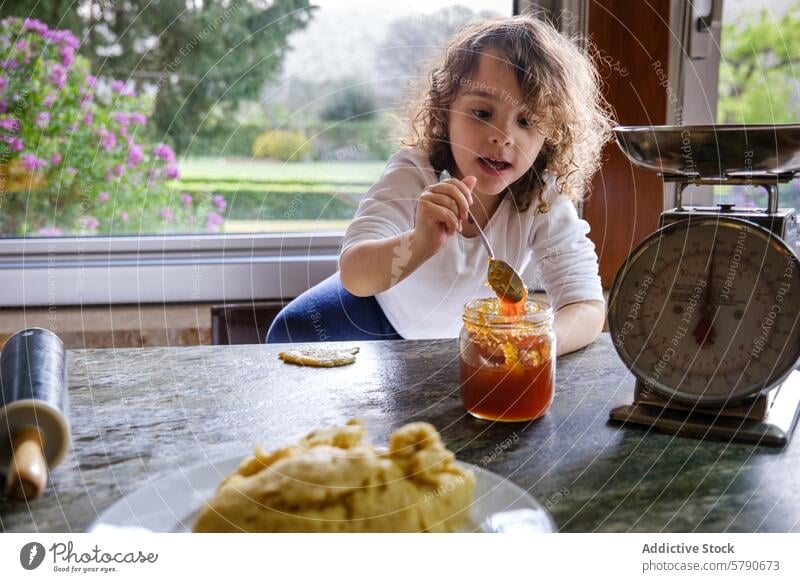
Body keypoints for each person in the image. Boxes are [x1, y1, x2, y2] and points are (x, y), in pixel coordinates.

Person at [267, 15, 612, 355]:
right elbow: (355, 275)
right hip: (379, 312)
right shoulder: (414, 172)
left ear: (550, 136)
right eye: (482, 113)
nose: (503, 137)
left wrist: (539, 343)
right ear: (445, 111)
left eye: (526, 121)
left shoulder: (541, 197)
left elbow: (585, 306)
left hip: (456, 338)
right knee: (291, 330)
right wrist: (419, 243)